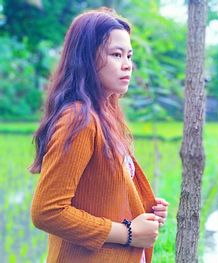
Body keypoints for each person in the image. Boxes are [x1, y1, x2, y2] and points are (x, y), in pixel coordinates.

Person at [29, 7, 168, 263]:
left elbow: (99, 193)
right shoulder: (79, 119)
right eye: (116, 55)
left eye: (129, 55)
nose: (128, 65)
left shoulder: (105, 116)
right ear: (88, 58)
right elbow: (47, 211)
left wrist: (144, 208)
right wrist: (128, 233)